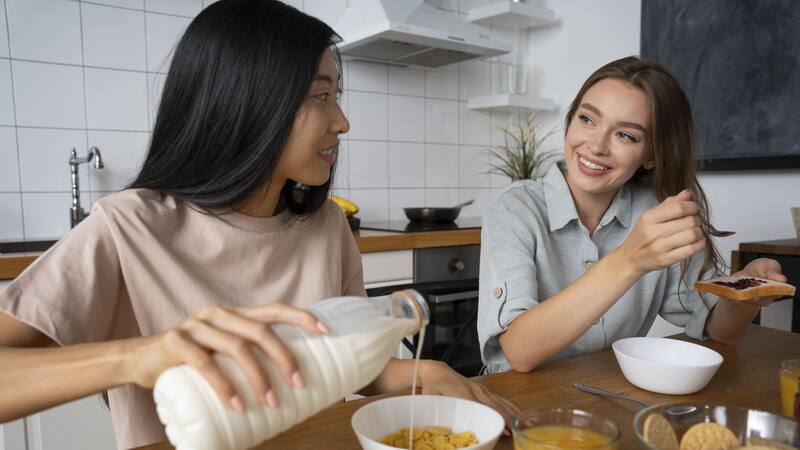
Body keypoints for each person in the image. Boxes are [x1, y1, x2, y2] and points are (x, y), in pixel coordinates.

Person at [0, 1, 517, 449]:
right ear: (249, 101)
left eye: (337, 95)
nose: (342, 121)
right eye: (321, 96)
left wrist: (428, 370)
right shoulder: (127, 228)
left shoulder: (327, 224)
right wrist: (139, 356)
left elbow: (356, 366)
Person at [478, 56, 788, 374]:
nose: (596, 145)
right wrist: (630, 259)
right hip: (512, 405)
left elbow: (720, 332)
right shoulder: (514, 208)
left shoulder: (656, 215)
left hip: (605, 400)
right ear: (570, 120)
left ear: (651, 155)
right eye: (587, 119)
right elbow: (518, 351)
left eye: (625, 135)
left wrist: (744, 295)